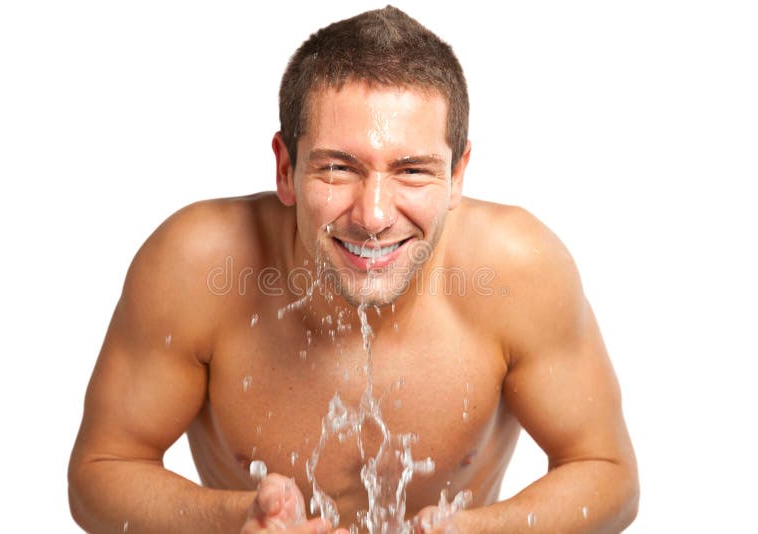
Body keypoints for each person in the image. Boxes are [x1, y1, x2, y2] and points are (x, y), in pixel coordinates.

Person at [68, 6, 638, 533]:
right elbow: (100, 473)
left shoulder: (521, 268)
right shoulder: (194, 265)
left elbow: (608, 474)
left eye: (412, 171)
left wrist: (477, 530)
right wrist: (236, 519)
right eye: (339, 169)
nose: (373, 216)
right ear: (286, 168)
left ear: (458, 174)